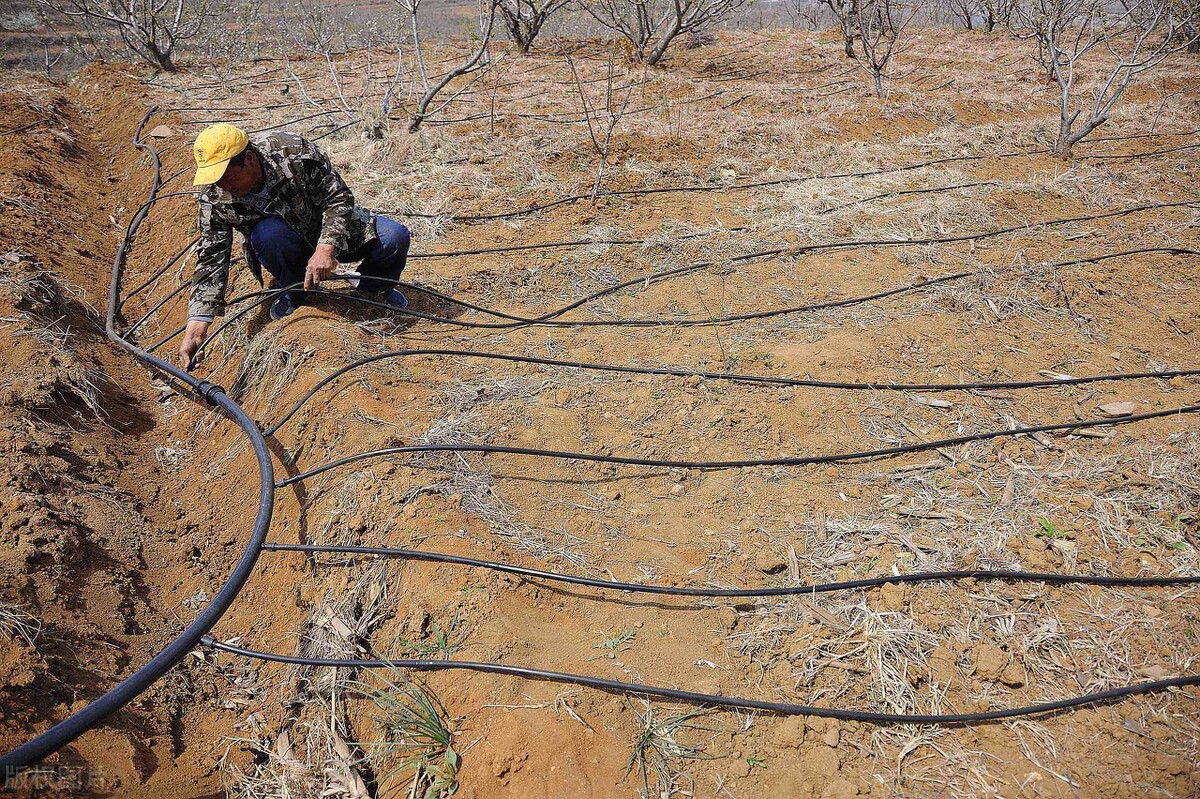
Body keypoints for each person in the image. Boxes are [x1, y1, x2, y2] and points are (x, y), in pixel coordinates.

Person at [179, 123, 411, 369]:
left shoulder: (293, 152)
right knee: (268, 235)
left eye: (228, 177)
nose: (224, 186)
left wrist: (326, 247)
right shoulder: (214, 194)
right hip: (283, 243)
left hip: (328, 226)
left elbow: (339, 198)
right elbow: (212, 256)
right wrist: (197, 325)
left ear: (248, 159)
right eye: (216, 180)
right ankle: (296, 293)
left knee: (394, 238)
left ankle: (373, 289)